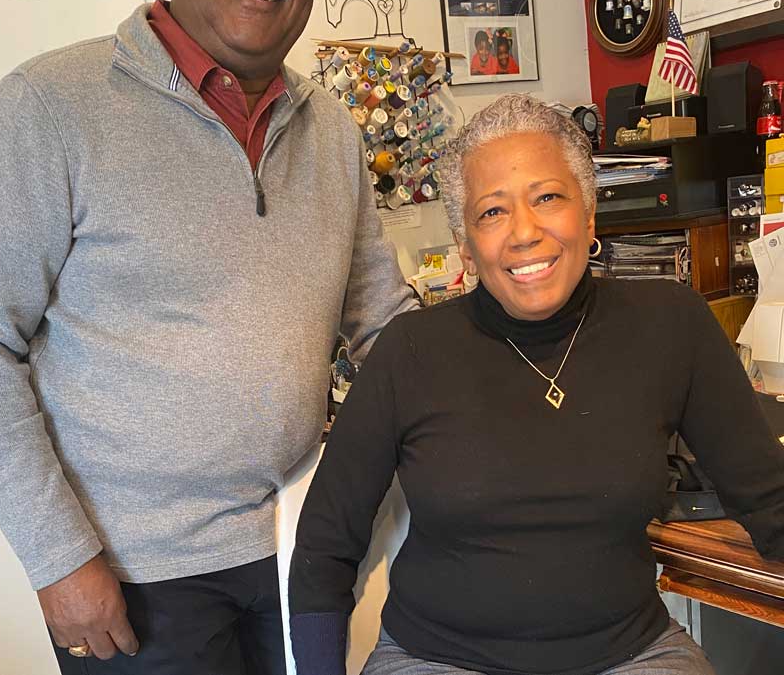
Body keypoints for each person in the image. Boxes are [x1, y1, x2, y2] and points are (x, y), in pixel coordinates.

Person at [0, 0, 414, 675]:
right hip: (135, 576)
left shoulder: (332, 129)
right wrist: (59, 558)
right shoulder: (49, 107)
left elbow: (385, 324)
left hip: (300, 543)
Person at [289, 94, 784, 675]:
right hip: (438, 658)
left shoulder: (671, 324)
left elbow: (768, 497)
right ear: (465, 244)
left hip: (630, 655)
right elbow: (326, 542)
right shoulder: (409, 350)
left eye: (548, 197)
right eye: (492, 212)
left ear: (589, 214)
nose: (524, 231)